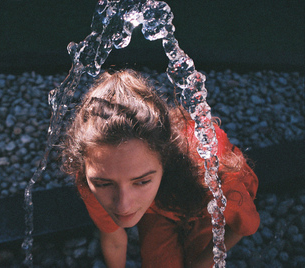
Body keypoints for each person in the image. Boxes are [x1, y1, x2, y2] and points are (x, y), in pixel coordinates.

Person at [61, 69, 260, 268]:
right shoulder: (91, 176)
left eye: (142, 181)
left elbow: (241, 226)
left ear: (166, 160)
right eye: (104, 184)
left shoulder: (213, 176)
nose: (123, 205)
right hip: (158, 208)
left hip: (205, 209)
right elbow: (113, 239)